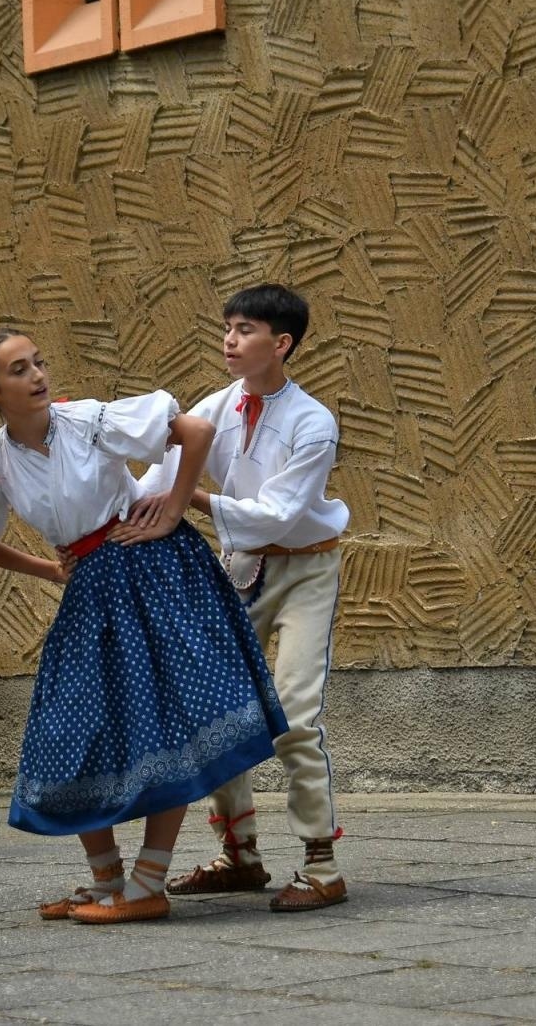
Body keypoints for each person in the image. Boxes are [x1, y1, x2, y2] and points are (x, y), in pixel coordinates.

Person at [0, 328, 287, 923]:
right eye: (19, 369)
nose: (37, 376)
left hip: (151, 568)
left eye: (39, 362)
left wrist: (176, 505)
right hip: (90, 587)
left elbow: (195, 431)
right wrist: (51, 570)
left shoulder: (87, 421)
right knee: (68, 727)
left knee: (165, 721)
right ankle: (107, 881)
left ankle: (148, 882)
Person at [136, 284, 351, 911]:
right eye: (227, 326)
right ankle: (241, 855)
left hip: (307, 569)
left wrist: (190, 497)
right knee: (220, 710)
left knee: (295, 717)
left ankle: (322, 864)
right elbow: (156, 478)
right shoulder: (216, 407)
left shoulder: (314, 422)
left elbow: (277, 518)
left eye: (246, 329)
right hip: (242, 568)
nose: (230, 339)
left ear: (280, 344)